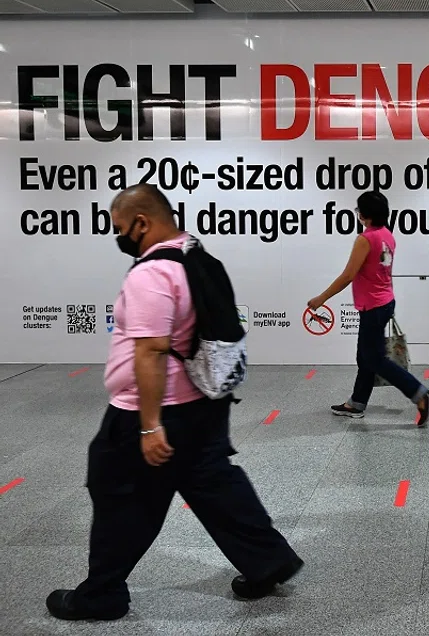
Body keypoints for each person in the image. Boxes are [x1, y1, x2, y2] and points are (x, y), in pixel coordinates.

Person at [46, 185, 303, 621]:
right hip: (203, 402)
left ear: (141, 222)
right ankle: (267, 561)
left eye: (120, 228)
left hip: (150, 410)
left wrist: (149, 426)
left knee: (117, 493)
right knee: (213, 483)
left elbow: (150, 350)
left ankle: (101, 595)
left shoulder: (151, 273)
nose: (119, 238)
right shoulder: (196, 255)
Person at [307, 190, 429, 424]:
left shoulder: (365, 239)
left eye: (358, 211)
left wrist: (321, 298)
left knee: (374, 359)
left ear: (365, 214)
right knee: (365, 357)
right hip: (383, 302)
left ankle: (418, 392)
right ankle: (356, 403)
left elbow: (348, 275)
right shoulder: (387, 235)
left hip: (373, 307)